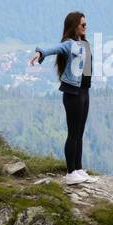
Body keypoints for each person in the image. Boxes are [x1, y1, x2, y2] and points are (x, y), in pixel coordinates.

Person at [30, 11, 100, 185]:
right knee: (73, 133)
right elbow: (54, 49)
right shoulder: (69, 44)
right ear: (74, 26)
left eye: (86, 24)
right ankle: (70, 173)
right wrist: (40, 53)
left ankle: (78, 169)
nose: (86, 27)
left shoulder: (84, 43)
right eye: (83, 24)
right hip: (73, 93)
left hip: (84, 91)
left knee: (80, 133)